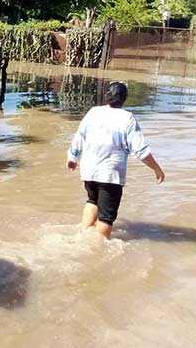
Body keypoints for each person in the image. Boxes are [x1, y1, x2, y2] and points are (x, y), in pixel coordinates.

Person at [66, 81, 165, 239]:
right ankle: (95, 248)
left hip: (89, 171)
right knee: (106, 216)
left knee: (92, 201)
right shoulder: (127, 118)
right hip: (110, 175)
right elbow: (140, 150)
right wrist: (156, 169)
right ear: (124, 99)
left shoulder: (93, 112)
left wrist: (73, 158)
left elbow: (79, 137)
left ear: (107, 96)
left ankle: (82, 236)